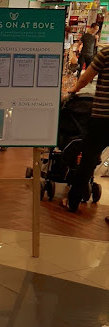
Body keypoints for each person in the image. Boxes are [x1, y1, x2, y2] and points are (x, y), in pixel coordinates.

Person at [66, 43, 109, 214]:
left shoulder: (106, 53)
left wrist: (74, 89)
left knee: (88, 160)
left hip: (102, 118)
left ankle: (73, 202)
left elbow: (85, 78)